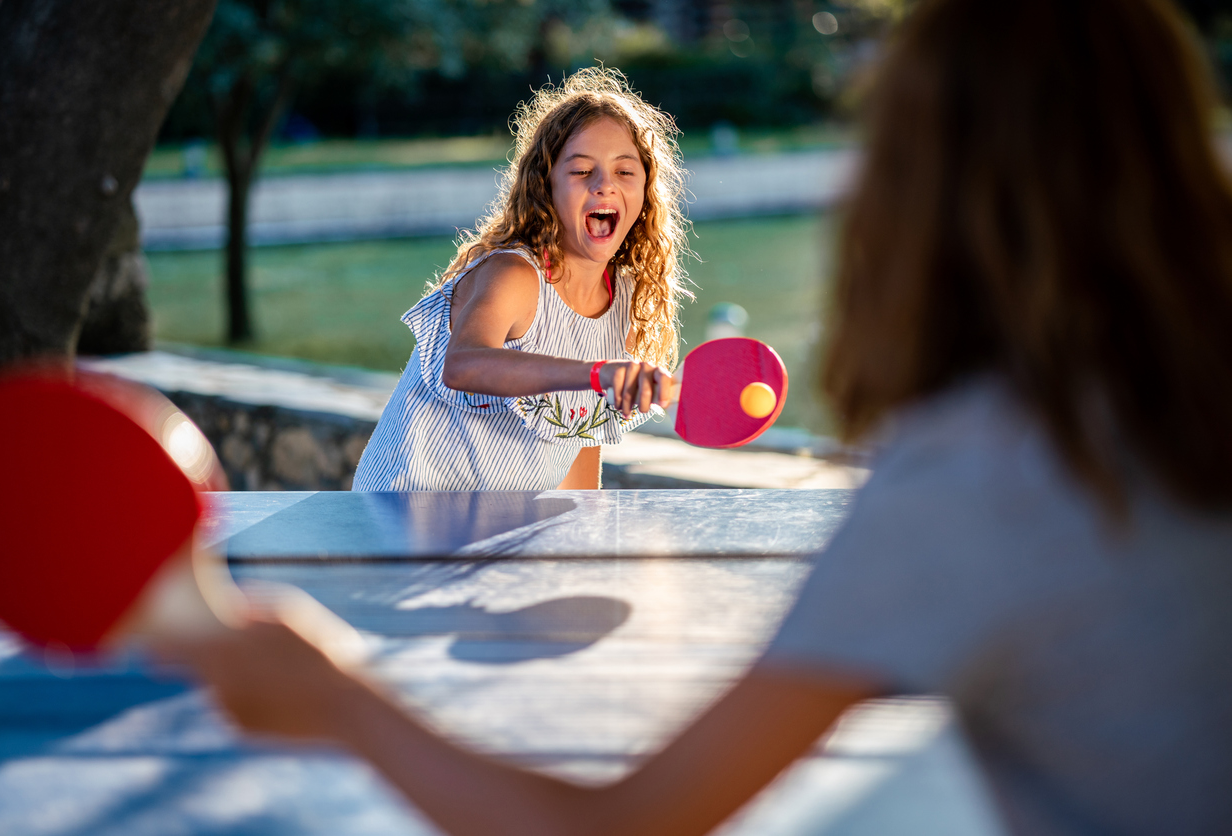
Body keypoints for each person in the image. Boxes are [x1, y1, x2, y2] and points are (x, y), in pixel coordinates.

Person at [173, 0, 1232, 833]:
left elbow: (619, 824)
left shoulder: (970, 481)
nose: (605, 186)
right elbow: (473, 362)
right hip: (406, 521)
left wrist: (336, 697)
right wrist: (590, 392)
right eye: (583, 167)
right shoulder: (1176, 417)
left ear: (914, 192)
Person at [352, 68, 690, 491]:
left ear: (644, 191)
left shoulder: (623, 304)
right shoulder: (514, 274)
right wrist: (598, 372)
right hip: (407, 508)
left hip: (496, 530)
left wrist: (585, 538)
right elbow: (463, 364)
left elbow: (579, 439)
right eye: (582, 171)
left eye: (625, 172)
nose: (605, 185)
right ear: (545, 187)